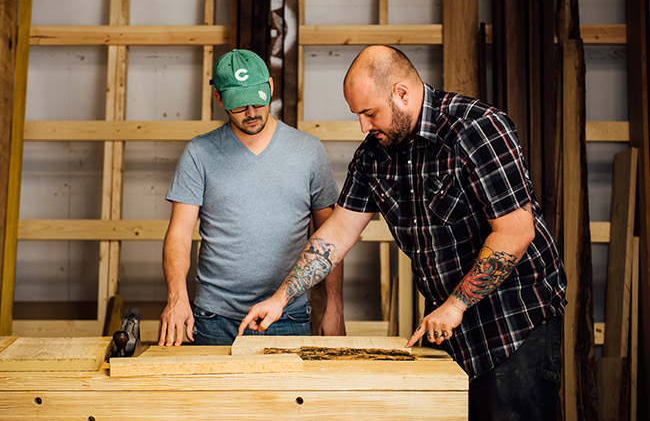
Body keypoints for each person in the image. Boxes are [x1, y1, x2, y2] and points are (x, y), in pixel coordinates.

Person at [239, 45, 567, 421]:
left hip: (515, 318)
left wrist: (456, 305)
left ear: (402, 93)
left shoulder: (477, 128)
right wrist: (281, 297)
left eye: (370, 113)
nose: (364, 126)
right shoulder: (373, 156)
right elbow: (338, 233)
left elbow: (515, 231)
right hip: (446, 323)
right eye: (357, 115)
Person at [158, 49, 345, 347]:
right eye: (239, 106)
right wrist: (177, 298)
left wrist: (334, 306)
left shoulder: (308, 151)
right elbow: (179, 233)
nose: (252, 113)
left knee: (287, 396)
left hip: (288, 314)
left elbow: (331, 237)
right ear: (219, 100)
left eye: (259, 101)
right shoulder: (199, 152)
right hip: (213, 317)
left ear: (270, 87)